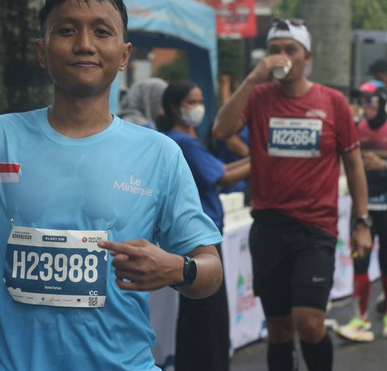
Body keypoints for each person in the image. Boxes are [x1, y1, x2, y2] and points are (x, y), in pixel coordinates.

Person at [0, 0, 224, 370]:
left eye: (102, 31)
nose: (84, 44)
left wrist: (179, 269)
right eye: (66, 30)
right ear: (42, 52)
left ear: (125, 54)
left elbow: (209, 270)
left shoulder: (160, 152)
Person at [212, 18, 373, 371]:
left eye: (289, 50)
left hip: (315, 229)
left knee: (310, 322)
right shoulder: (257, 97)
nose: (280, 57)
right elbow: (221, 129)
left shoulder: (332, 102)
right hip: (268, 226)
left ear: (306, 57)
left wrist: (361, 221)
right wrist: (254, 77)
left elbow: (354, 164)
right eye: (273, 50)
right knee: (280, 329)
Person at [156, 80, 250, 371]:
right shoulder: (181, 142)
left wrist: (256, 158)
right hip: (201, 238)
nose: (198, 108)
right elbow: (222, 178)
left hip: (200, 234)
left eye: (200, 100)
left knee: (199, 318)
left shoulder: (186, 141)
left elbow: (221, 171)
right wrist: (264, 157)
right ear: (175, 107)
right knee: (207, 322)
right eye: (192, 102)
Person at [335, 82, 387, 342]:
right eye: (362, 102)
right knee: (360, 260)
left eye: (371, 102)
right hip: (363, 208)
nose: (366, 108)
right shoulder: (357, 128)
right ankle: (360, 319)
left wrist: (383, 164)